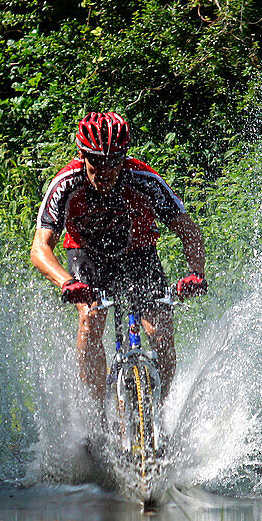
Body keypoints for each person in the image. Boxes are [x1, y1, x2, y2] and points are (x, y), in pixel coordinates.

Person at [30, 111, 207, 408]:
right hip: (87, 256)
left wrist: (196, 273)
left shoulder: (144, 179)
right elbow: (39, 248)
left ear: (123, 158)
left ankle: (157, 412)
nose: (104, 170)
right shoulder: (66, 183)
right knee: (90, 320)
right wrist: (67, 282)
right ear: (82, 155)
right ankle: (98, 414)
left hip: (138, 254)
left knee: (160, 333)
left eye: (113, 162)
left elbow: (189, 232)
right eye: (95, 161)